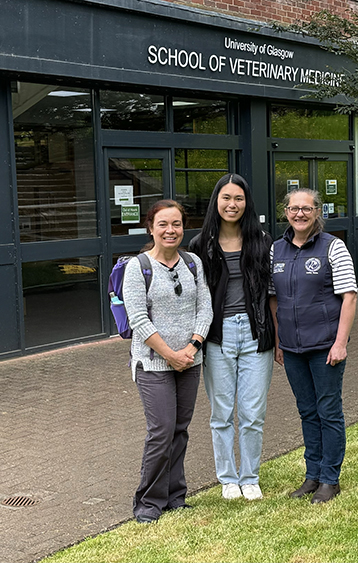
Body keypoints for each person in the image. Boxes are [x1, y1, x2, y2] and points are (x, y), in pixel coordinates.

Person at [123, 199, 213, 524]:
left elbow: (205, 306)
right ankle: (148, 503)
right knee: (160, 431)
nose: (170, 230)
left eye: (176, 224)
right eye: (163, 224)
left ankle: (176, 496)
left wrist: (192, 346)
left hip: (190, 360)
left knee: (180, 430)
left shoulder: (192, 263)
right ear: (151, 227)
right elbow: (138, 319)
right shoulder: (138, 267)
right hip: (153, 364)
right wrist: (171, 355)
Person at [189, 173, 275, 502]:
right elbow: (197, 299)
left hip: (256, 334)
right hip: (217, 336)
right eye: (226, 198)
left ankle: (250, 476)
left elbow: (271, 294)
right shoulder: (200, 245)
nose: (232, 204)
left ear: (246, 203)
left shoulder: (262, 241)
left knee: (252, 413)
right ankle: (228, 478)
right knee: (221, 414)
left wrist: (277, 340)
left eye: (238, 198)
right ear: (216, 202)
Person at [269, 188, 358, 504]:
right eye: (294, 208)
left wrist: (340, 343)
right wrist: (279, 341)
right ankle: (313, 475)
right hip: (292, 348)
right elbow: (274, 299)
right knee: (307, 411)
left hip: (325, 346)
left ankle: (330, 480)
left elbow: (349, 296)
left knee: (328, 411)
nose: (299, 214)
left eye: (306, 208)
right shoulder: (276, 250)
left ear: (317, 212)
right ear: (286, 211)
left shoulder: (334, 247)